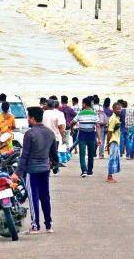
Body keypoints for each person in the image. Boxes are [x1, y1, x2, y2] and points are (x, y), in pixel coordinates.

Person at [13, 106, 59, 234]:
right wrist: (55, 166)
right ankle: (49, 225)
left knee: (33, 198)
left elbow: (25, 156)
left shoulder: (30, 134)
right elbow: (54, 154)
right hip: (45, 169)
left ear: (32, 118)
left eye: (28, 117)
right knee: (45, 196)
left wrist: (17, 173)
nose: (28, 119)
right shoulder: (50, 133)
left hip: (32, 170)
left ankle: (35, 226)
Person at [70, 97, 101, 177]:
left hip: (82, 135)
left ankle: (84, 171)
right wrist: (99, 138)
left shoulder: (80, 113)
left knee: (82, 154)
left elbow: (72, 122)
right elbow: (97, 126)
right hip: (91, 135)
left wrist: (72, 129)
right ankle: (90, 171)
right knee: (91, 154)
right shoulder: (94, 114)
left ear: (84, 104)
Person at [106, 102, 122, 183]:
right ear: (113, 109)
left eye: (120, 108)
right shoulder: (113, 119)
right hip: (113, 140)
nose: (119, 110)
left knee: (114, 158)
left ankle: (110, 175)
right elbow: (109, 132)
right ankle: (109, 176)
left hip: (116, 140)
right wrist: (108, 143)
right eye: (117, 109)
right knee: (112, 159)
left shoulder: (117, 118)